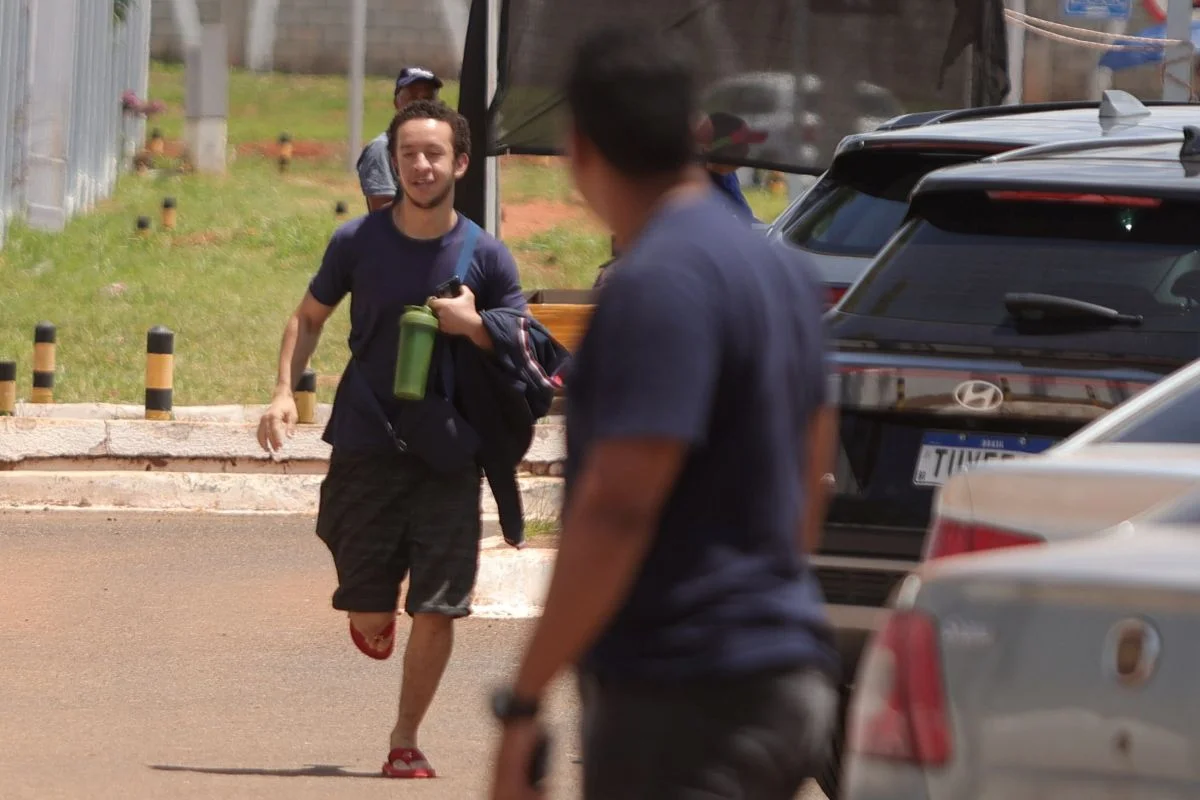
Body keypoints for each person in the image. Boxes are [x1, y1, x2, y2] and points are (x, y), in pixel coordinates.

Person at [488, 24, 841, 800]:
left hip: (686, 692)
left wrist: (523, 699)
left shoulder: (655, 283)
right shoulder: (780, 272)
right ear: (693, 133)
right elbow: (810, 473)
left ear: (579, 146)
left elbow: (618, 505)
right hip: (784, 674)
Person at [256, 99, 538, 780]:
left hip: (448, 451)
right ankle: (371, 612)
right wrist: (281, 393)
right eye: (408, 153)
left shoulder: (486, 256)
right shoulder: (358, 243)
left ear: (460, 164)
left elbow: (525, 346)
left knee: (438, 605)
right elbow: (309, 316)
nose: (420, 165)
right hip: (365, 439)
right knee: (369, 603)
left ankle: (405, 739)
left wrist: (474, 324)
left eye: (434, 153)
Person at [356, 66, 443, 211]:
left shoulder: (445, 147)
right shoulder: (382, 149)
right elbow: (382, 216)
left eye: (428, 98)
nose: (420, 104)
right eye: (413, 97)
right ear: (397, 103)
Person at [695, 110, 763, 224]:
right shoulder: (695, 189)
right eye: (741, 145)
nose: (747, 151)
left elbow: (745, 219)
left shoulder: (727, 174)